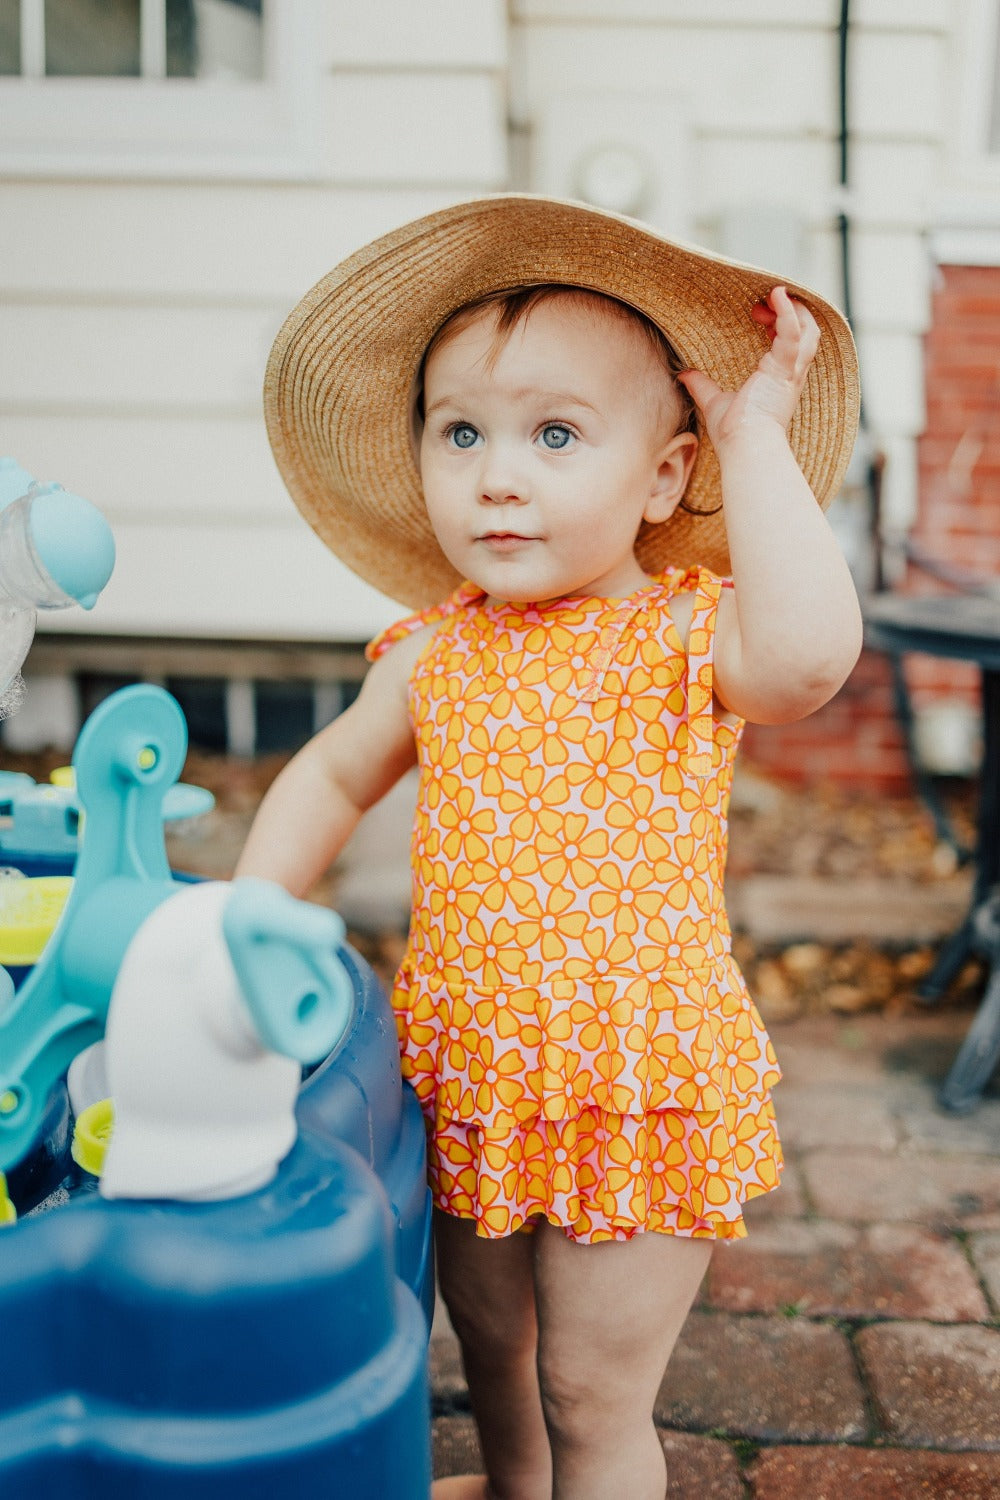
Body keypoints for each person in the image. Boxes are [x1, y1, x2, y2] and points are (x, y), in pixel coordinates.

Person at [238, 196, 863, 1500]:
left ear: (663, 479)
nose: (497, 473)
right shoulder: (433, 650)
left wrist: (755, 443)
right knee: (494, 1340)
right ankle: (519, 1485)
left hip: (629, 1082)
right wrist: (248, 907)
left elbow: (808, 660)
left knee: (594, 1388)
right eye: (461, 432)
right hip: (468, 1062)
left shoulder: (686, 637)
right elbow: (331, 773)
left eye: (555, 434)